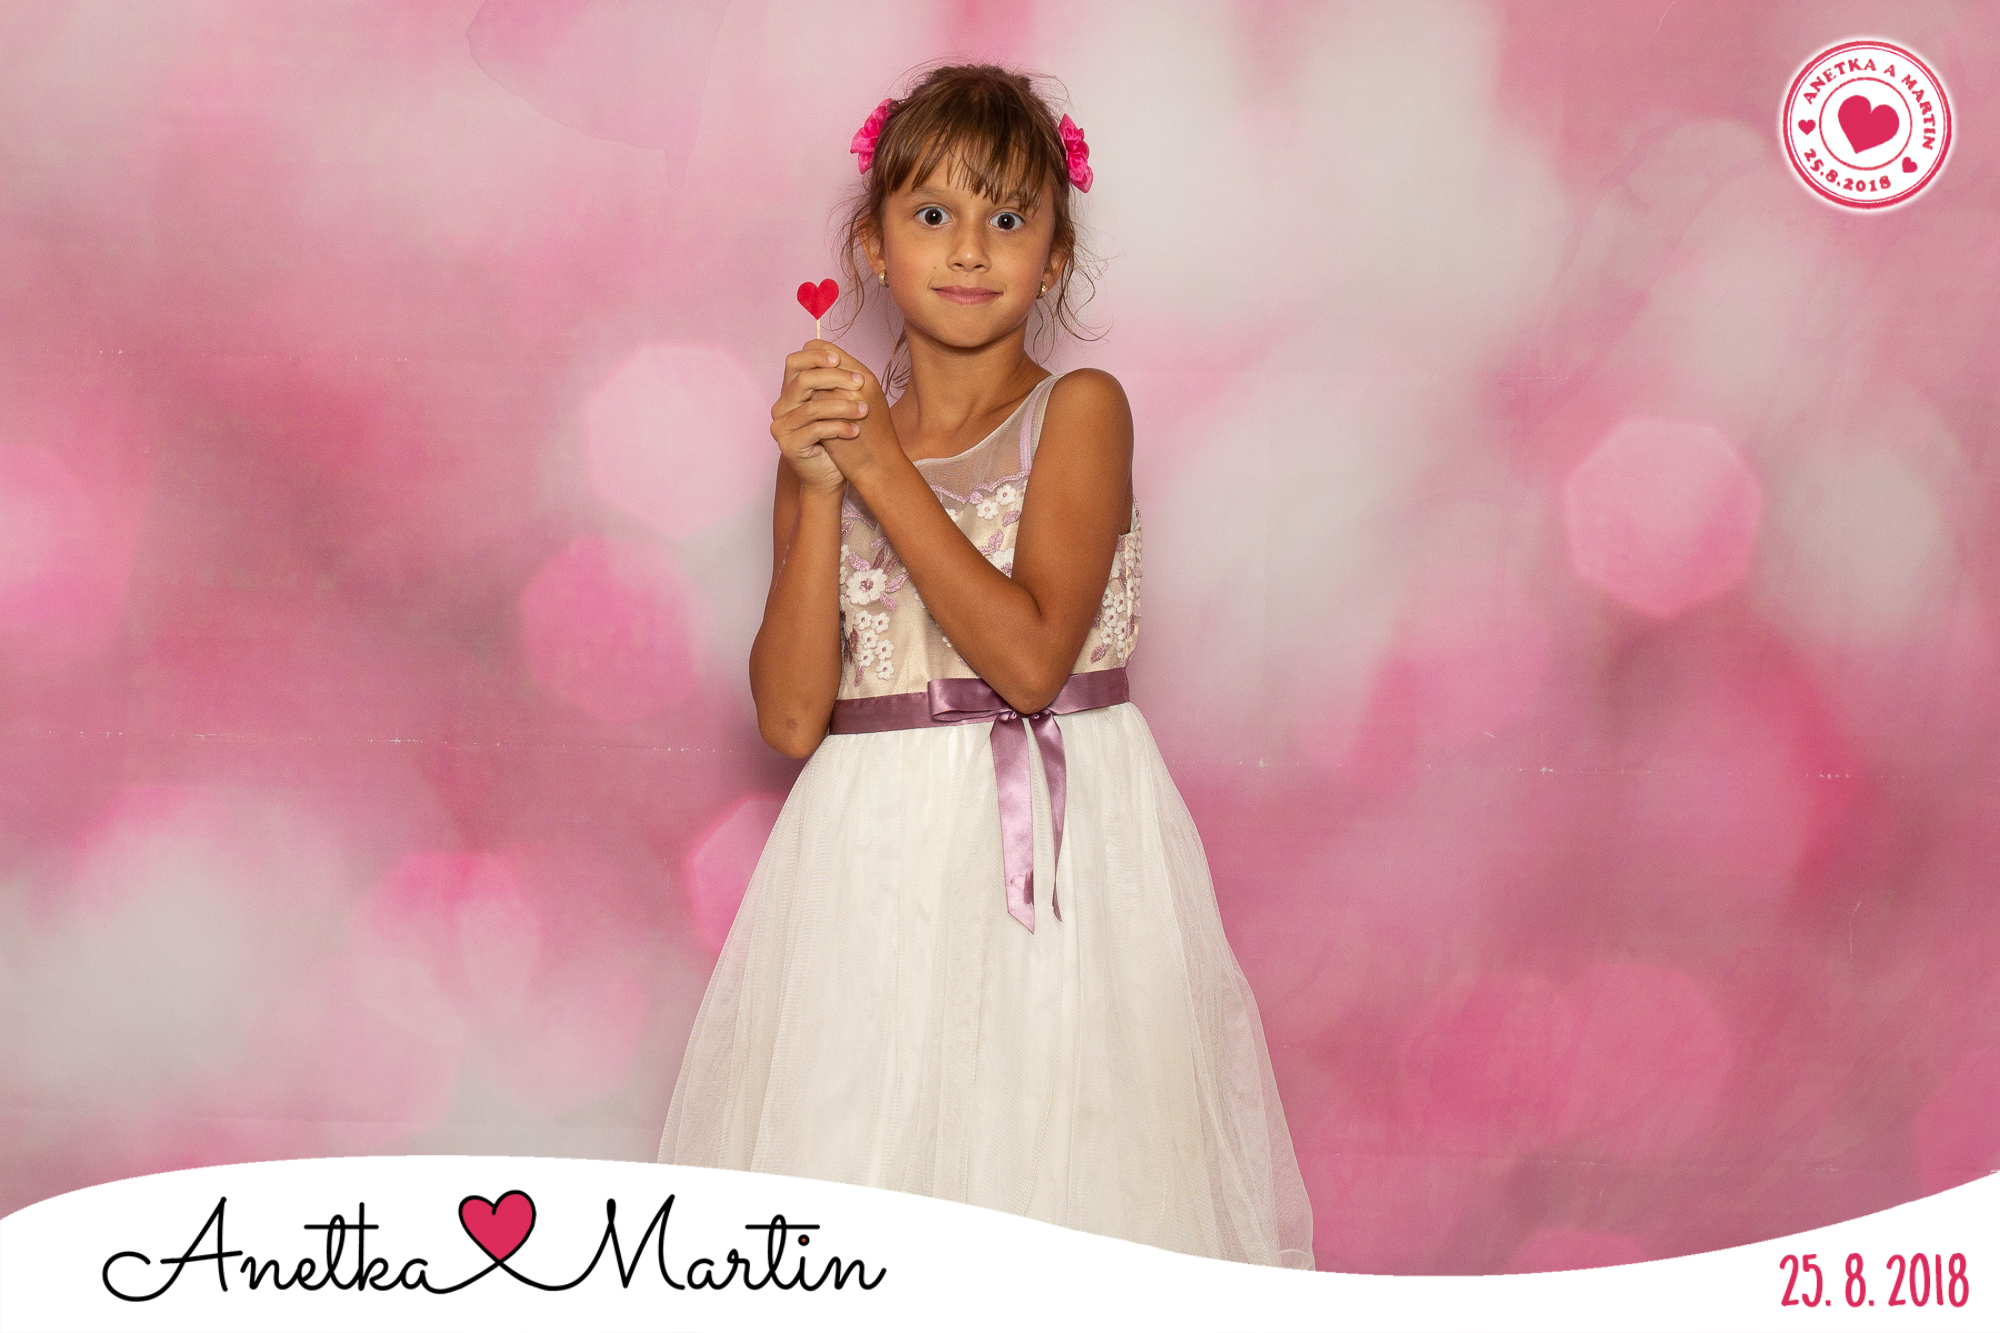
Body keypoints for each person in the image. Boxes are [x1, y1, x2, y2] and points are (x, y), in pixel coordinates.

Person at [657, 62, 1314, 1270]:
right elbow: (793, 717)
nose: (968, 247)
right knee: (862, 1161)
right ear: (873, 244)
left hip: (1057, 867)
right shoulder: (834, 445)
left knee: (1055, 1162)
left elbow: (1027, 660)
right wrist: (817, 484)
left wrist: (874, 464)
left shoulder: (1081, 411)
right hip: (868, 861)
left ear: (1054, 256)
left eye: (1008, 218)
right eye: (931, 214)